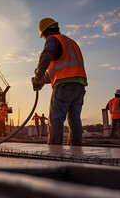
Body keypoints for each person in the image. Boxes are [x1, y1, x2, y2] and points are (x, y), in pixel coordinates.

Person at [31, 18, 87, 146]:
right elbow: (58, 70)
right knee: (75, 121)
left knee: (56, 119)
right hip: (79, 84)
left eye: (44, 37)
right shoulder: (71, 42)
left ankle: (54, 153)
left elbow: (46, 55)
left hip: (64, 85)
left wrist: (38, 76)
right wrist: (41, 82)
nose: (45, 40)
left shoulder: (53, 39)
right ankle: (76, 151)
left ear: (47, 32)